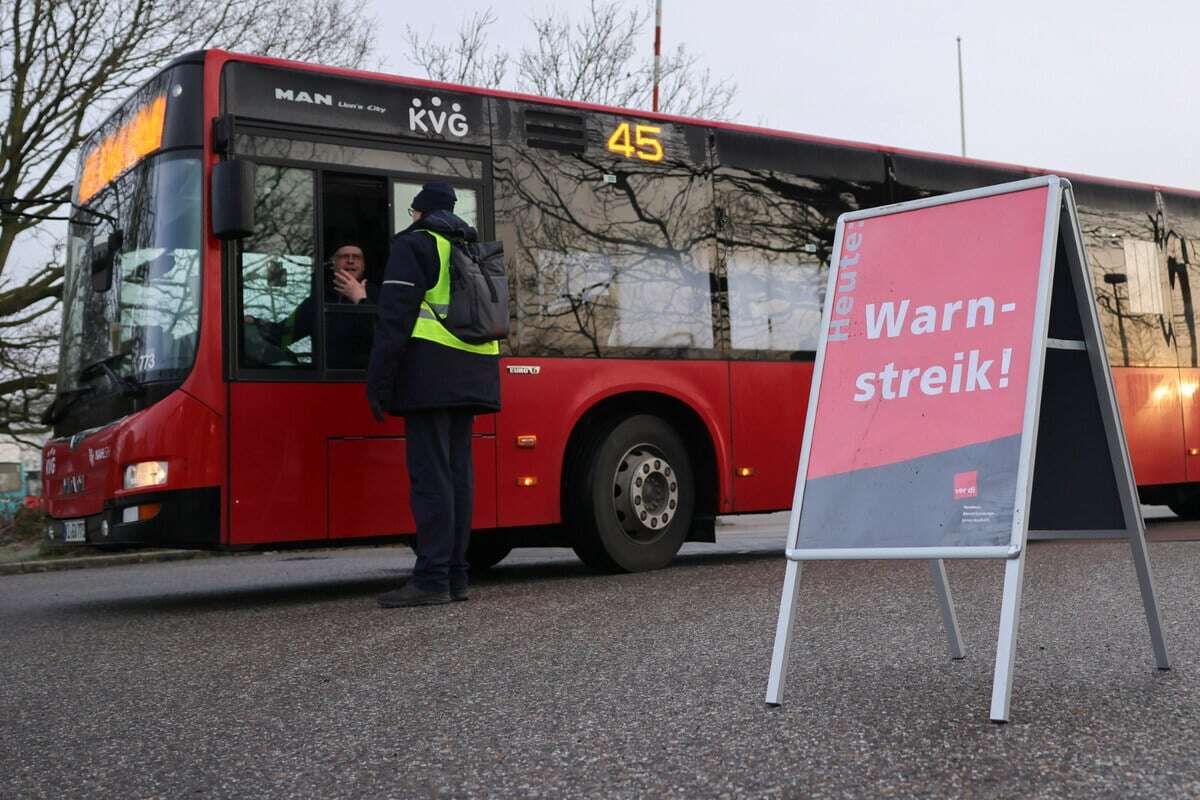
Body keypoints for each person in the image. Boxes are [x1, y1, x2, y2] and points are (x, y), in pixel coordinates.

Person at [367, 181, 501, 608]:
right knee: (458, 476)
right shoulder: (471, 247)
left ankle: (431, 579)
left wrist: (379, 383)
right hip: (474, 374)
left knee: (431, 481)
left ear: (419, 211)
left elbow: (394, 318)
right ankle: (456, 575)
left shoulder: (417, 244)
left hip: (430, 375)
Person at [246, 244, 378, 368]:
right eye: (344, 256)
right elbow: (284, 335)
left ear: (364, 265)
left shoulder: (381, 295)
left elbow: (386, 337)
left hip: (368, 382)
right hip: (326, 383)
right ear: (333, 264)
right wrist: (255, 322)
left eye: (356, 257)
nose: (350, 260)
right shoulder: (318, 300)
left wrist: (361, 301)